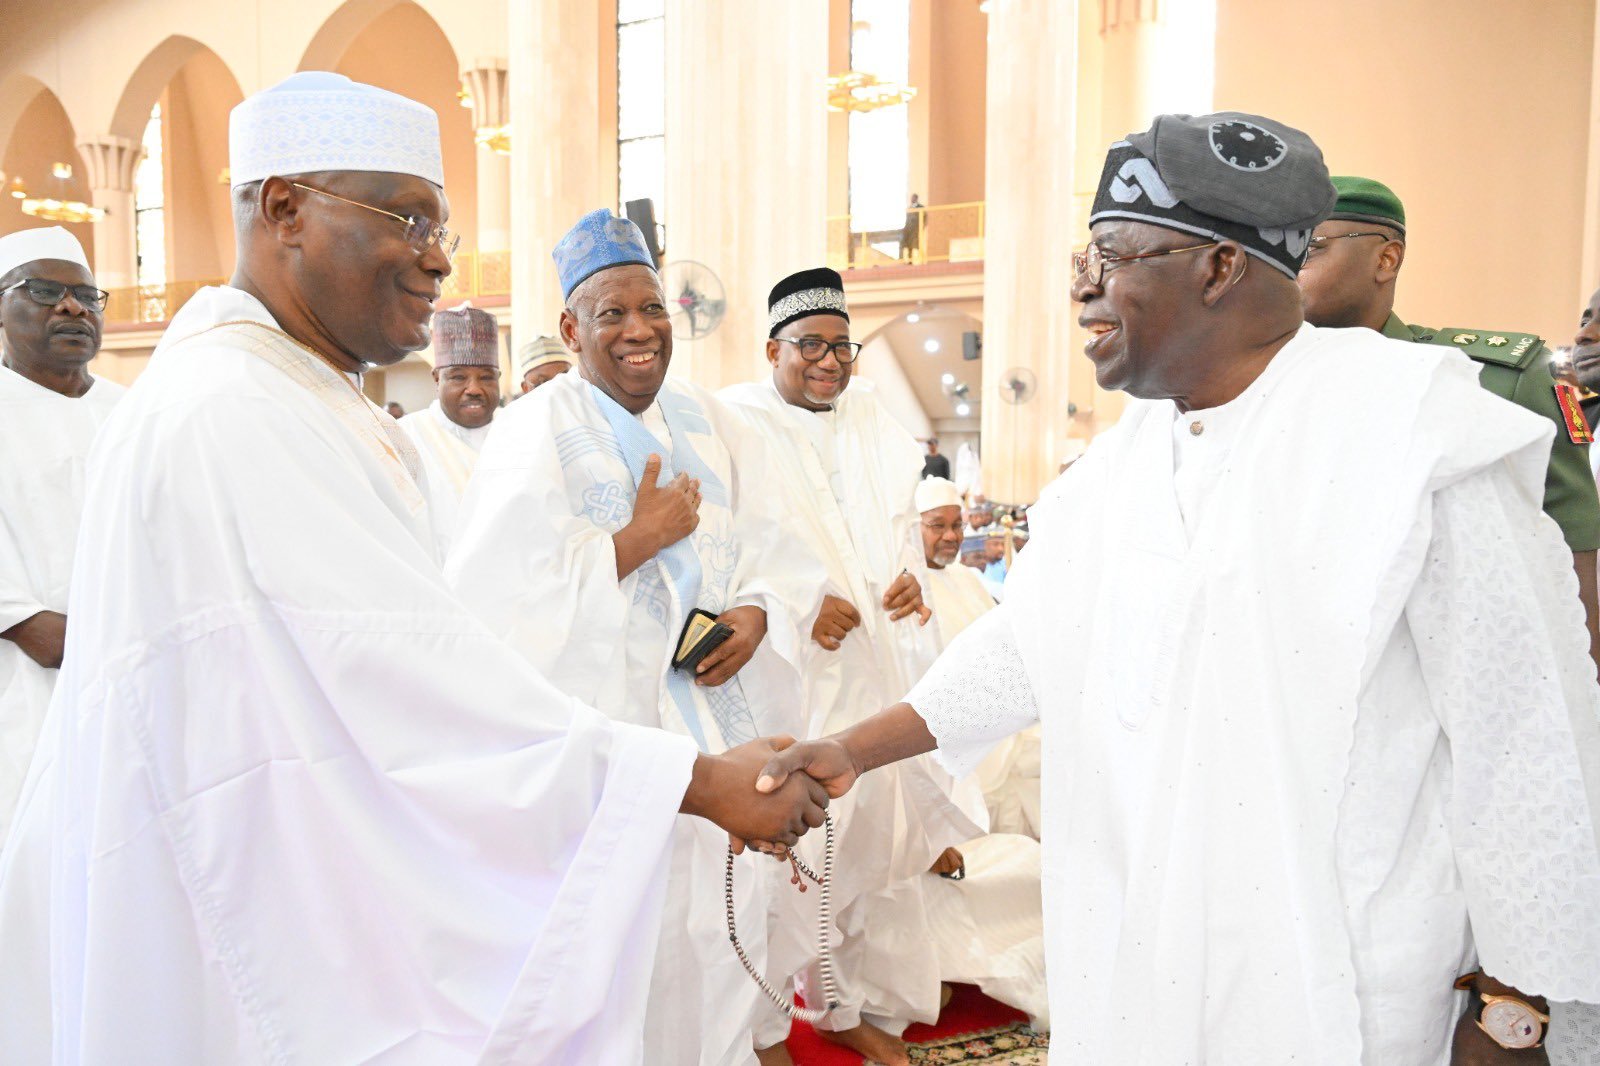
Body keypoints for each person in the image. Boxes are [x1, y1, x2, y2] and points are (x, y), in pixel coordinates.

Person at [0, 73, 828, 1065]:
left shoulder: (288, 391)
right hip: (246, 898)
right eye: (409, 220)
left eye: (441, 227)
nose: (440, 259)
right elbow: (416, 685)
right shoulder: (234, 412)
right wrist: (688, 780)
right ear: (285, 209)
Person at [757, 111, 1600, 1064]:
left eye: (1111, 254)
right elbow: (1028, 645)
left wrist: (1516, 1005)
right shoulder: (1120, 465)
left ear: (1218, 268)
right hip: (1143, 969)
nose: (1082, 284)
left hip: (1348, 981)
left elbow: (1529, 738)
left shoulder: (1415, 435)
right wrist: (852, 750)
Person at [445, 209, 823, 1066]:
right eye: (611, 313)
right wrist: (631, 544)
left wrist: (759, 612)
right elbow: (491, 609)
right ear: (572, 328)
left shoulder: (720, 423)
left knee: (725, 953)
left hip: (727, 729)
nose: (639, 330)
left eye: (651, 308)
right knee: (635, 968)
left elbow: (780, 548)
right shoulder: (530, 434)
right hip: (617, 760)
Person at [721, 268, 981, 1066]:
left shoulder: (872, 415)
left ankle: (843, 1011)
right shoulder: (732, 423)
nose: (830, 362)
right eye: (811, 345)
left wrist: (909, 572)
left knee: (868, 854)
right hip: (791, 681)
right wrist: (798, 600)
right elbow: (722, 542)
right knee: (790, 863)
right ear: (774, 347)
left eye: (843, 346)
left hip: (874, 674)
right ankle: (769, 1028)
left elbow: (894, 522)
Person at [1298, 175, 1600, 663]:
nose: (1284, 270)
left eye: (1309, 248)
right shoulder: (1250, 386)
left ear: (1386, 259)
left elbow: (1571, 548)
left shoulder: (1500, 379)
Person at [0, 226, 123, 841]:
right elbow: (39, 635)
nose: (72, 307)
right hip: (25, 694)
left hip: (135, 688)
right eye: (44, 290)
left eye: (87, 295)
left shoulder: (139, 413)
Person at [396, 303, 501, 555]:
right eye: (458, 377)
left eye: (486, 377)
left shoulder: (521, 434)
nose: (474, 388)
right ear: (436, 379)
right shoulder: (404, 437)